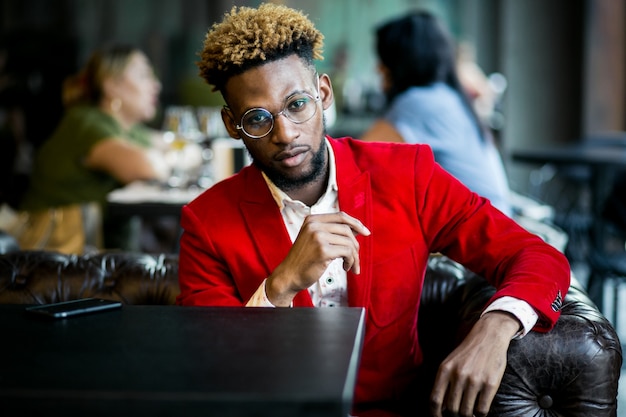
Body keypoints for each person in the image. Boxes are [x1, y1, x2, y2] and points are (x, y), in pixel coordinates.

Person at [176, 4, 570, 417]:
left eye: (296, 105)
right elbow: (213, 366)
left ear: (323, 93)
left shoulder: (407, 175)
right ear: (230, 123)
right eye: (257, 118)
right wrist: (281, 286)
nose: (285, 133)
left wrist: (495, 327)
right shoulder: (206, 222)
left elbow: (537, 256)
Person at [11, 44, 169, 254]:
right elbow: (148, 167)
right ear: (112, 85)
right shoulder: (86, 122)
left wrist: (171, 155)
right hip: (47, 255)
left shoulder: (127, 129)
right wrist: (170, 158)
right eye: (142, 76)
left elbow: (178, 146)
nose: (155, 85)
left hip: (87, 252)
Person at [360, 10, 513, 217]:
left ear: (400, 63)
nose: (377, 69)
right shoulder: (449, 96)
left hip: (481, 235)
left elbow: (357, 159)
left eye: (383, 60)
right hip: (495, 222)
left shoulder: (419, 102)